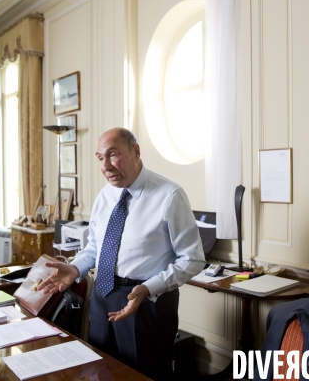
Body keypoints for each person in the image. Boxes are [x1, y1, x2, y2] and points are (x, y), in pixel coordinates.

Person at [37, 127, 205, 380]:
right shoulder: (105, 196)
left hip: (148, 303)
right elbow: (95, 247)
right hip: (104, 296)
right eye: (100, 157)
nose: (105, 166)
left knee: (144, 375)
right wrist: (75, 268)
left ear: (135, 151)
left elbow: (192, 259)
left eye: (113, 154)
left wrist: (150, 288)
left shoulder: (169, 195)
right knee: (103, 371)